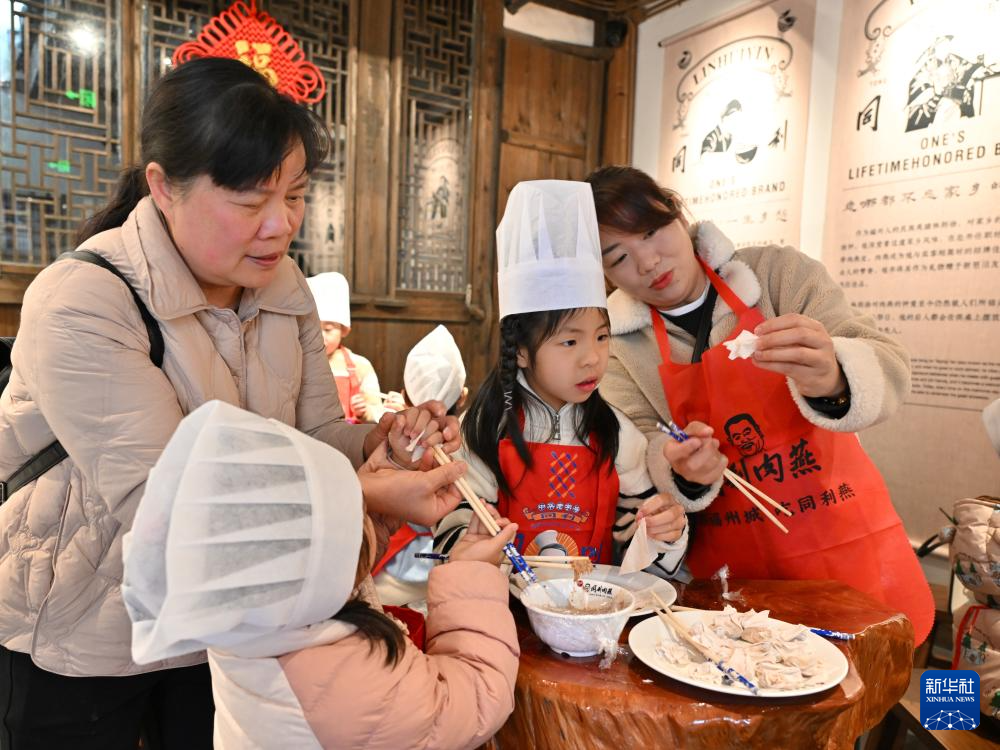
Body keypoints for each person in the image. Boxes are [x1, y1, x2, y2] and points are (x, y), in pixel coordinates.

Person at [0, 57, 458, 749]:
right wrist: (370, 496)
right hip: (80, 635)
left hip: (220, 630)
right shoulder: (84, 301)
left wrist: (381, 444)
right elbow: (173, 504)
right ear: (164, 187)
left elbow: (315, 434)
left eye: (295, 196)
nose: (280, 225)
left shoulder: (284, 287)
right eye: (250, 203)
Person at [588, 165, 934, 644]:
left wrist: (833, 373)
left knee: (864, 673)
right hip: (732, 578)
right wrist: (680, 468)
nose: (648, 262)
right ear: (605, 274)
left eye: (651, 232)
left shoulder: (777, 275)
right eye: (619, 257)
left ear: (679, 215)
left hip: (841, 537)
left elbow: (886, 360)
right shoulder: (618, 344)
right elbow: (643, 444)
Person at [122, 400, 519, 750]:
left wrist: (392, 471)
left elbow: (332, 557)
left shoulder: (253, 611)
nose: (356, 515)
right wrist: (471, 574)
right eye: (350, 509)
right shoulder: (352, 685)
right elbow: (475, 696)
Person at [434, 180, 688, 576]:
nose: (592, 358)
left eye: (601, 337)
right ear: (520, 350)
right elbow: (450, 538)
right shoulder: (482, 430)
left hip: (594, 606)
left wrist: (662, 533)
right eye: (569, 342)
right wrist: (472, 551)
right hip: (501, 605)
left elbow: (638, 554)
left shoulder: (616, 433)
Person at [375, 325, 468, 606]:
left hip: (389, 568)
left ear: (403, 396)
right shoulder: (472, 445)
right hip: (452, 568)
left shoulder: (387, 444)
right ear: (463, 397)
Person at [306, 271, 387, 424]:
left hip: (347, 435)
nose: (320, 337)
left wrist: (365, 411)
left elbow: (378, 410)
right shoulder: (298, 363)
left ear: (343, 330)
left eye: (328, 329)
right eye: (313, 329)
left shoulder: (360, 365)